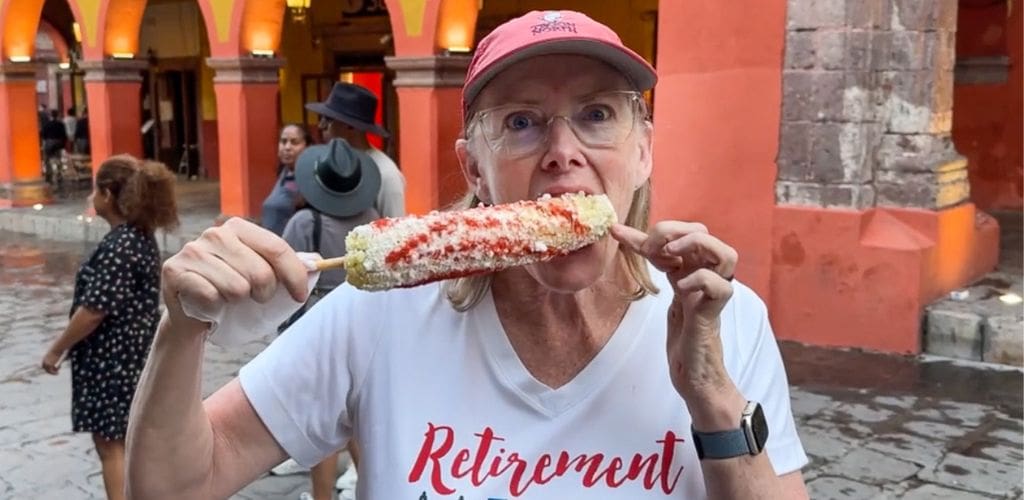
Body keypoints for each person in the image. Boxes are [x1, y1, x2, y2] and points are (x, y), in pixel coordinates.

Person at [125, 10, 810, 499]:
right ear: (473, 168)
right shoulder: (376, 317)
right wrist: (182, 327)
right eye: (521, 123)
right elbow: (171, 485)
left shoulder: (724, 320)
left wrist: (714, 402)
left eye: (598, 114)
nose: (563, 151)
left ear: (645, 149)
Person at [42, 154, 179, 500]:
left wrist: (58, 347)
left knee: (111, 444)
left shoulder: (121, 245)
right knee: (129, 441)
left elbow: (94, 310)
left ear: (106, 193)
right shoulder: (138, 237)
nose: (92, 198)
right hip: (131, 355)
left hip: (113, 361)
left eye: (94, 191)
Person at [303, 81, 406, 493]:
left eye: (328, 121)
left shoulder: (385, 174)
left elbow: (397, 239)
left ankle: (367, 466)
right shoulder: (335, 161)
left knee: (364, 388)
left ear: (346, 127)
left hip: (370, 296)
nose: (323, 128)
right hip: (337, 293)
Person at [279, 139, 382, 500]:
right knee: (355, 416)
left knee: (324, 417)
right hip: (366, 319)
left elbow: (287, 277)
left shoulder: (306, 221)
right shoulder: (372, 219)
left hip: (319, 322)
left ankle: (322, 497)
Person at [306, 82, 406, 218]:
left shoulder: (385, 174)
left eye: (328, 119)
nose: (321, 125)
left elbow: (394, 227)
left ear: (350, 126)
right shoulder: (333, 166)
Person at [260, 124, 314, 235]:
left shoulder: (310, 180)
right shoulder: (285, 172)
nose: (287, 147)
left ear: (307, 146)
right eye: (283, 142)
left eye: (294, 142)